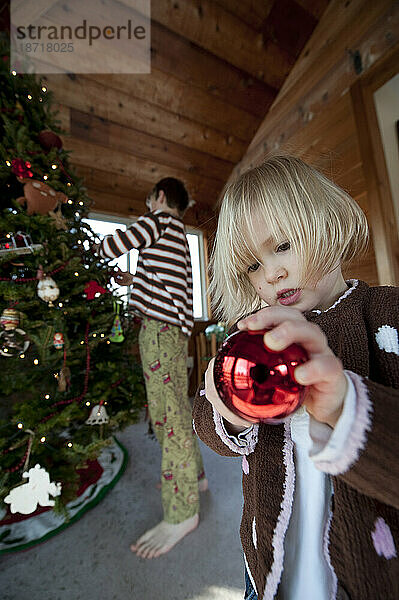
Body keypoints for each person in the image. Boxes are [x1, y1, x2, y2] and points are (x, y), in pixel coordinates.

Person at [192, 156, 399, 599]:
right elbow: (205, 425)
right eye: (252, 266)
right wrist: (226, 411)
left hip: (369, 578)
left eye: (282, 245)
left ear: (326, 223)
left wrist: (347, 408)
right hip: (268, 570)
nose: (270, 274)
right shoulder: (253, 338)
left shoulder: (389, 316)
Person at [97, 177, 207, 559]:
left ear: (160, 198)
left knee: (167, 416)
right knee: (178, 404)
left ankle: (181, 512)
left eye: (149, 201)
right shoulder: (177, 236)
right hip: (175, 332)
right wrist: (133, 280)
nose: (147, 206)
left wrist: (89, 251)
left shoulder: (157, 222)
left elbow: (114, 245)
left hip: (158, 333)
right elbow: (161, 282)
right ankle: (197, 477)